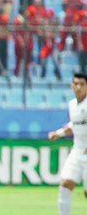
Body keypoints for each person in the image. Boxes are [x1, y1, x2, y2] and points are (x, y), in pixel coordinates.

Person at [48, 73, 87, 215]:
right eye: (75, 84)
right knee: (65, 185)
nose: (78, 87)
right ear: (71, 86)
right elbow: (74, 125)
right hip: (77, 151)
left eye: (82, 84)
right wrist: (58, 133)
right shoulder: (72, 105)